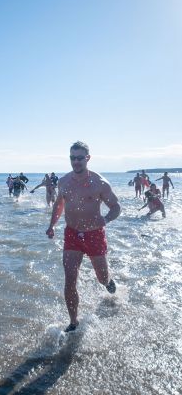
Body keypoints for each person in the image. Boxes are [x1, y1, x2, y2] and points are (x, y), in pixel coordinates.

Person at [46, 141, 121, 332]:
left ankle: (108, 282)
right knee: (69, 279)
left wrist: (104, 221)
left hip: (94, 235)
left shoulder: (100, 183)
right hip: (72, 234)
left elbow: (116, 207)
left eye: (80, 158)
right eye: (73, 158)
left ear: (88, 158)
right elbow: (59, 205)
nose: (76, 162)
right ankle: (73, 322)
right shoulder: (63, 182)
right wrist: (52, 225)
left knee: (102, 278)